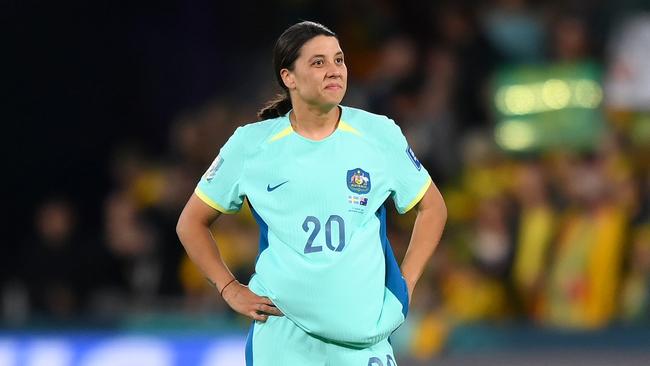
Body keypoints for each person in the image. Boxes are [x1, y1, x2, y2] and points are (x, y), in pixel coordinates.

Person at [176, 21, 447, 366]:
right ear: (288, 77)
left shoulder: (379, 134)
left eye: (339, 60)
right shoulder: (251, 144)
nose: (334, 71)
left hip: (364, 339)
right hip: (284, 336)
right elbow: (191, 223)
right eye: (318, 63)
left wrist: (405, 286)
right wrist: (229, 287)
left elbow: (433, 208)